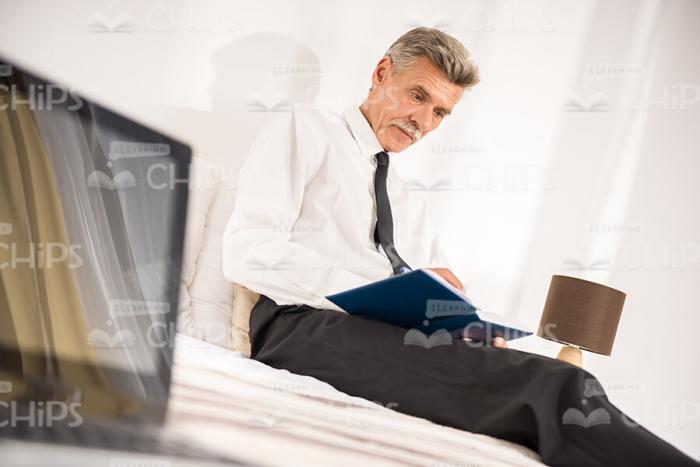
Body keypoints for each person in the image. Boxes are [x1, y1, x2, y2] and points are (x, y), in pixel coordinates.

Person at [222, 27, 697, 466]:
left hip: (386, 331)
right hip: (298, 324)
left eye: (440, 112)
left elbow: (435, 286)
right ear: (382, 73)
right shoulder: (306, 130)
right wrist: (374, 293)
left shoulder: (407, 200)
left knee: (548, 377)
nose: (422, 121)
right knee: (556, 388)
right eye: (418, 95)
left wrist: (460, 322)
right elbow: (248, 248)